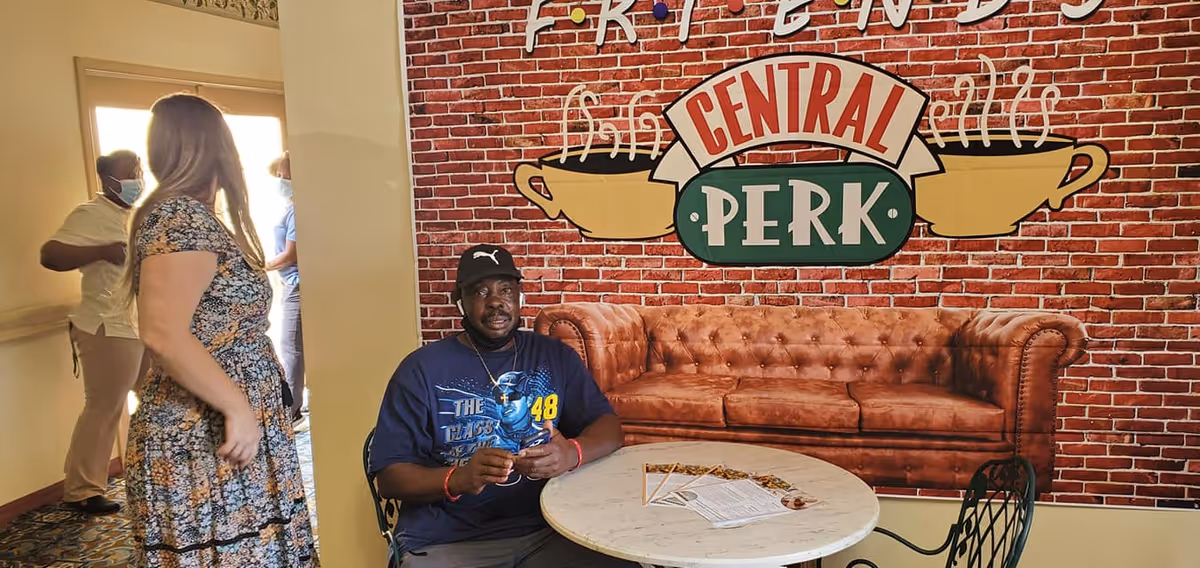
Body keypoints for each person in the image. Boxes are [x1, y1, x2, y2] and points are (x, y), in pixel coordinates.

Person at [119, 93, 318, 567]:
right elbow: (162, 333)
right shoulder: (179, 218)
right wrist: (237, 408)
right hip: (202, 433)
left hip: (220, 431)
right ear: (216, 148)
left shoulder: (195, 216)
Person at [368, 244, 636, 568]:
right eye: (480, 291)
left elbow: (609, 428)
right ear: (460, 302)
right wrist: (459, 478)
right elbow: (391, 478)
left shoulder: (554, 356)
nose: (495, 301)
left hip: (550, 529)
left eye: (506, 290)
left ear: (519, 297)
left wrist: (570, 453)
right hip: (447, 540)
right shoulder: (421, 369)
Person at [40, 150, 149, 515]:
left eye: (139, 171)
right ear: (108, 180)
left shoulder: (136, 215)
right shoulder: (90, 213)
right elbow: (50, 254)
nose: (136, 179)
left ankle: (152, 471)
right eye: (129, 174)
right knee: (105, 407)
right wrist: (101, 250)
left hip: (140, 322)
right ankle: (82, 490)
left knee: (157, 397)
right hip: (106, 325)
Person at [264, 151, 305, 424]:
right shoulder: (289, 207)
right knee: (290, 346)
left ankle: (291, 411)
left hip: (297, 284)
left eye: (283, 175)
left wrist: (261, 265)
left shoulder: (298, 210)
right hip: (290, 282)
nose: (280, 180)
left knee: (290, 348)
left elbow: (292, 254)